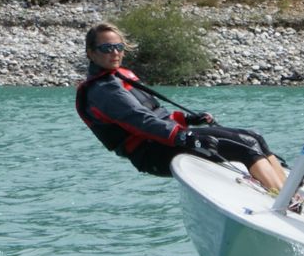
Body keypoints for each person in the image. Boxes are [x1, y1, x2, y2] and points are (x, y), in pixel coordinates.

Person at [76, 22, 289, 192]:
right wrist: (185, 136)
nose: (115, 52)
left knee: (253, 136)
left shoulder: (119, 76)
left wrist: (186, 120)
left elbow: (155, 113)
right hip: (152, 153)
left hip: (165, 140)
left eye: (119, 47)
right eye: (106, 48)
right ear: (91, 53)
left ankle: (289, 192)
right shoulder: (104, 90)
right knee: (245, 146)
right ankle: (282, 199)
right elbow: (142, 121)